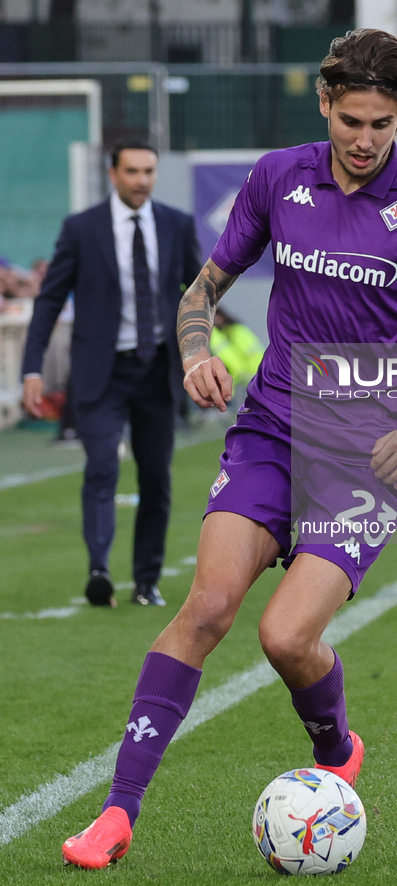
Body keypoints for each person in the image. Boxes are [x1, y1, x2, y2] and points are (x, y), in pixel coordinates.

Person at [61, 29, 397, 870]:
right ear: (325, 107)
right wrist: (195, 350)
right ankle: (115, 815)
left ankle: (335, 745)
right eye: (350, 121)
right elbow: (206, 287)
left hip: (366, 453)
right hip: (269, 426)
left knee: (285, 638)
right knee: (207, 611)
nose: (365, 140)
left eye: (382, 122)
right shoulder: (278, 178)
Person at [22, 140, 202, 608]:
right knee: (101, 467)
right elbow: (49, 300)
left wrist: (200, 355)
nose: (142, 180)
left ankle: (146, 582)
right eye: (133, 171)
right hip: (100, 374)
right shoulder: (82, 229)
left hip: (157, 372)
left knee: (156, 479)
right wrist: (31, 368)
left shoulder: (175, 224)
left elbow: (200, 291)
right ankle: (99, 569)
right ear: (112, 174)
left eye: (149, 171)